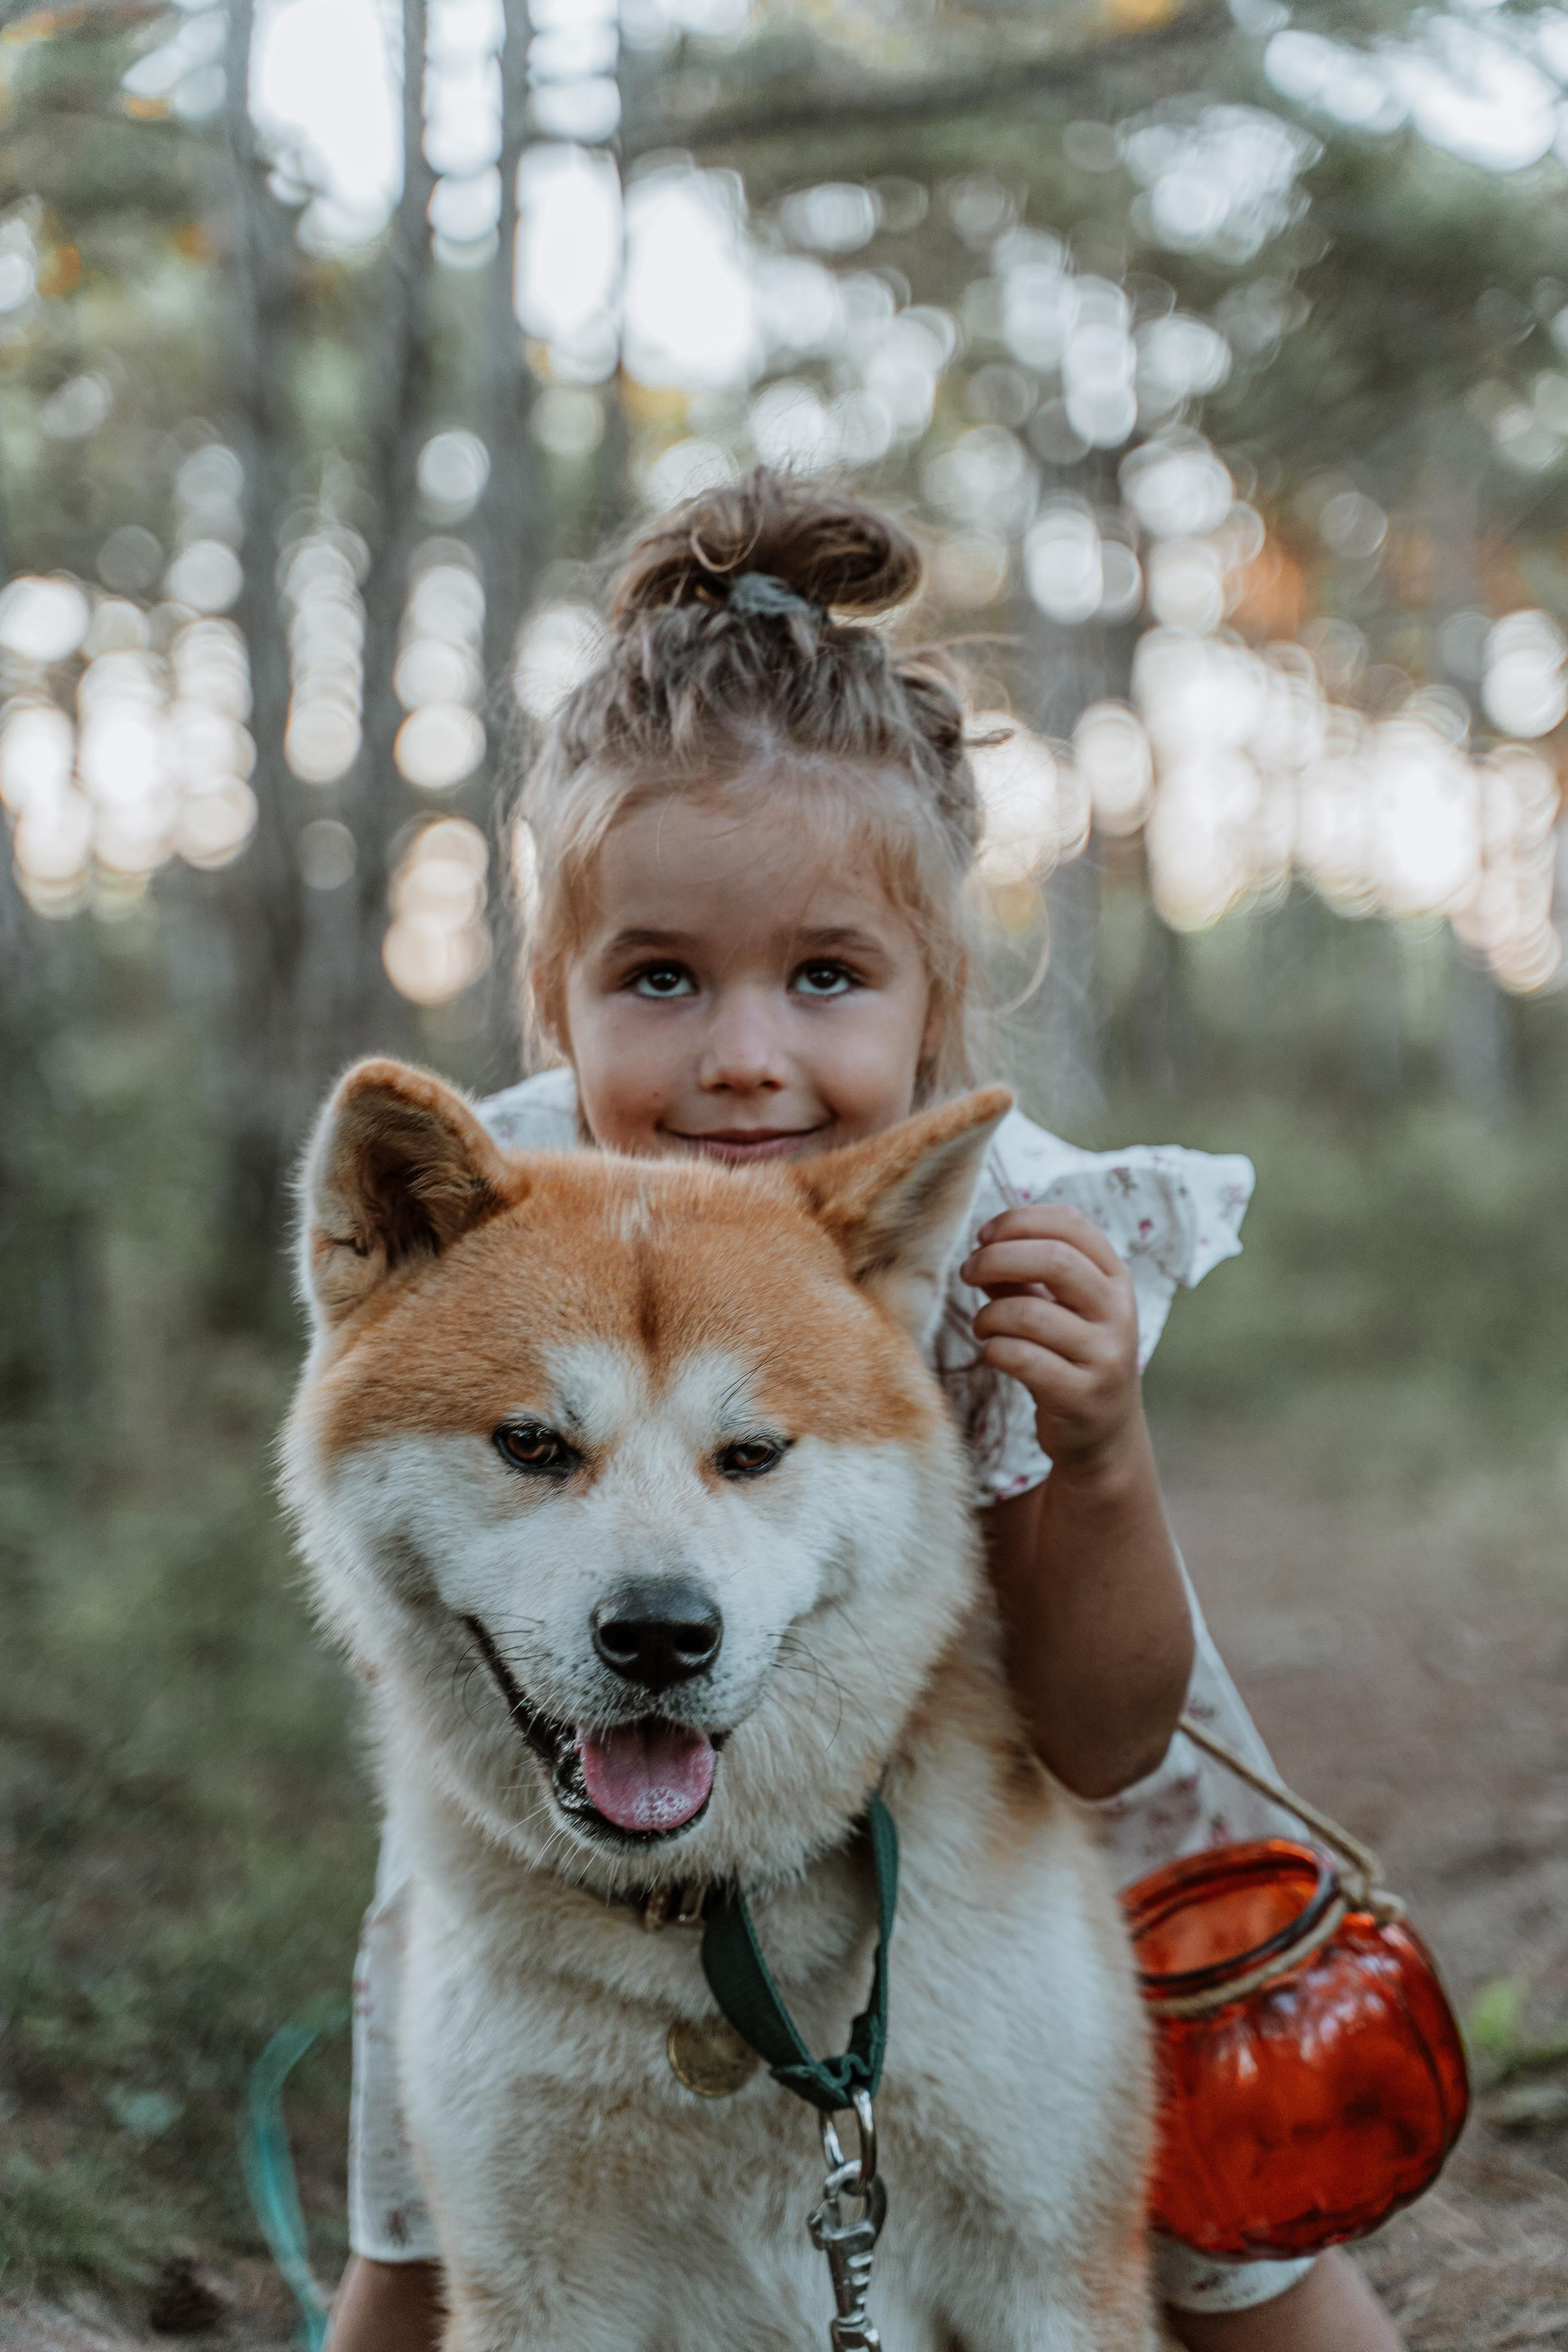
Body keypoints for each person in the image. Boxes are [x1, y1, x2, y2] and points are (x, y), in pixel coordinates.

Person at [327, 470, 1400, 2352]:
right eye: (662, 978)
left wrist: (1104, 1447)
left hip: (1011, 1781)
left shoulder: (1001, 1232)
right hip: (552, 1839)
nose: (747, 1054)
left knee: (1237, 2244)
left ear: (932, 999)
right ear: (556, 1004)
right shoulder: (484, 1204)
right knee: (427, 2235)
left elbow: (1105, 1734)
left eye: (824, 976)